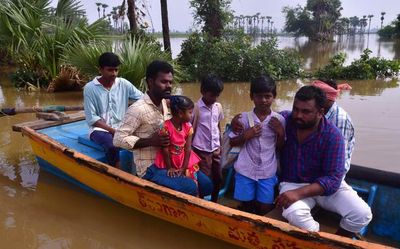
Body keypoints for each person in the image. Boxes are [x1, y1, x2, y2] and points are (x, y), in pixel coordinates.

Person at [275, 86, 372, 238]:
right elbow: (264, 115)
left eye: (306, 111)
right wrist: (237, 122)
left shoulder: (333, 136)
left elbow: (334, 179)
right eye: (296, 109)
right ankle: (319, 239)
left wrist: (298, 193)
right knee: (295, 214)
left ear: (320, 113)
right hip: (292, 182)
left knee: (362, 214)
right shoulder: (286, 120)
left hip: (323, 188)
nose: (298, 115)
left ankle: (339, 240)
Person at [113, 60, 213, 197]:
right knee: (189, 187)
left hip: (170, 162)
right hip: (150, 168)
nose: (168, 86)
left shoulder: (166, 104)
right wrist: (151, 141)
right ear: (150, 82)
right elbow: (118, 139)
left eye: (170, 82)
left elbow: (188, 110)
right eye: (164, 82)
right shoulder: (137, 109)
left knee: (207, 185)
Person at [229, 76, 285, 215]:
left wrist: (281, 133)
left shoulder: (279, 120)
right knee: (246, 206)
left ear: (274, 97)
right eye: (259, 96)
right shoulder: (242, 119)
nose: (264, 100)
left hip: (267, 171)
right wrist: (245, 136)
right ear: (251, 97)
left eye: (268, 96)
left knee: (265, 207)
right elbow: (232, 142)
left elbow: (280, 147)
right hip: (245, 170)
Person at [83, 52, 143, 168]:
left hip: (122, 127)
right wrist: (113, 131)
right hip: (99, 129)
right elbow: (92, 119)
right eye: (110, 70)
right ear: (100, 69)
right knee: (112, 145)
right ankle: (117, 174)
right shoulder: (90, 88)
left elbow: (142, 98)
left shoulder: (124, 84)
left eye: (116, 70)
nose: (114, 74)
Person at [191, 74, 224, 202]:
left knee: (218, 178)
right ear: (203, 92)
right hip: (201, 150)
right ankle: (202, 202)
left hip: (215, 150)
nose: (214, 99)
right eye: (212, 95)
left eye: (217, 95)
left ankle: (214, 202)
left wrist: (220, 145)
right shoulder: (195, 108)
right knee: (204, 181)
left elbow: (218, 126)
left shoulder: (218, 107)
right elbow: (190, 129)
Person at [154, 95, 201, 183]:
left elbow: (188, 148)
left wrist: (184, 167)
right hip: (169, 159)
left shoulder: (188, 127)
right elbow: (165, 149)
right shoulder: (165, 127)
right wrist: (169, 167)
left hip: (182, 157)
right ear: (180, 113)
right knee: (174, 178)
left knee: (192, 178)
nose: (192, 115)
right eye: (190, 112)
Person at [312, 79, 355, 174]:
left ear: (327, 98)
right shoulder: (318, 113)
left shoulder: (340, 119)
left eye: (316, 97)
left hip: (332, 174)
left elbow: (339, 160)